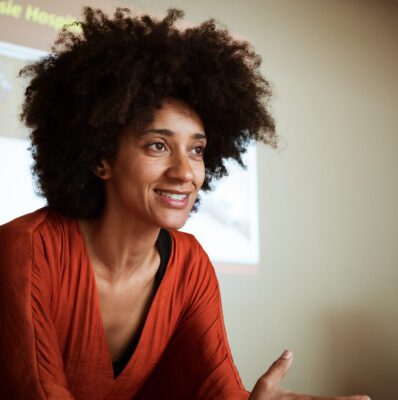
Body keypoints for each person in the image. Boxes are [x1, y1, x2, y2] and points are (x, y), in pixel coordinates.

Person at [0, 6, 370, 400]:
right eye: (158, 145)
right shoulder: (28, 250)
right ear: (100, 158)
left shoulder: (190, 265)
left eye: (196, 150)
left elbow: (216, 388)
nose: (185, 172)